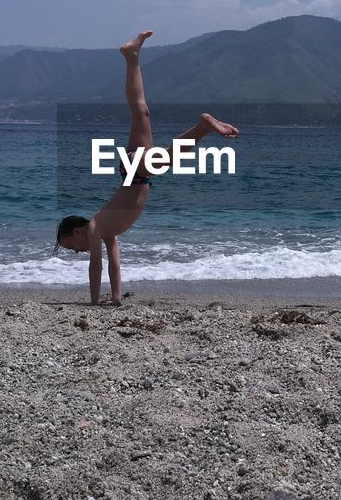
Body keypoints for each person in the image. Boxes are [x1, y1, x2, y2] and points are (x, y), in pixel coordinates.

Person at [55, 30, 239, 305]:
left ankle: (202, 126)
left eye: (72, 246)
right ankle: (132, 56)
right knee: (141, 111)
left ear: (78, 231)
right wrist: (115, 299)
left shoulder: (94, 227)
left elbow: (96, 268)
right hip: (134, 173)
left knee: (164, 159)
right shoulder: (107, 231)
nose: (77, 251)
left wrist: (93, 303)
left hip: (134, 174)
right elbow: (114, 266)